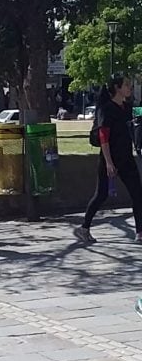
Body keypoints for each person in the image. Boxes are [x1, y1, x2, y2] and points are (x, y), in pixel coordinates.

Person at [76, 74, 142, 243]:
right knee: (101, 195)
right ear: (117, 88)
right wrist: (109, 163)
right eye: (126, 85)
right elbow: (103, 137)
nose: (130, 87)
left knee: (137, 194)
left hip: (126, 157)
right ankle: (84, 227)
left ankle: (140, 233)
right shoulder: (106, 109)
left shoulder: (126, 108)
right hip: (110, 158)